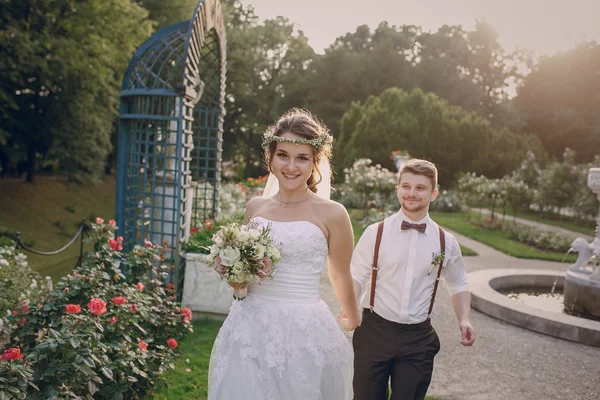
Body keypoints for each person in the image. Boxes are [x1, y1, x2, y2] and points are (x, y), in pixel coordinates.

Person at [208, 108, 361, 400]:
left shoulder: (333, 213)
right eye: (283, 155)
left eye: (302, 158)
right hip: (249, 327)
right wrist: (236, 281)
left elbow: (340, 273)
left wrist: (352, 317)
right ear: (270, 157)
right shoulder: (255, 207)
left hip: (303, 330)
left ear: (315, 162)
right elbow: (245, 274)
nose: (291, 166)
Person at [344, 159, 475, 400]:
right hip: (374, 330)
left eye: (420, 188)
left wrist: (464, 319)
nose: (411, 193)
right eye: (406, 186)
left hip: (418, 339)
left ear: (433, 193)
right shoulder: (376, 233)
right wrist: (349, 309)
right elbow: (356, 275)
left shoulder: (446, 242)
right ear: (398, 189)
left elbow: (458, 283)